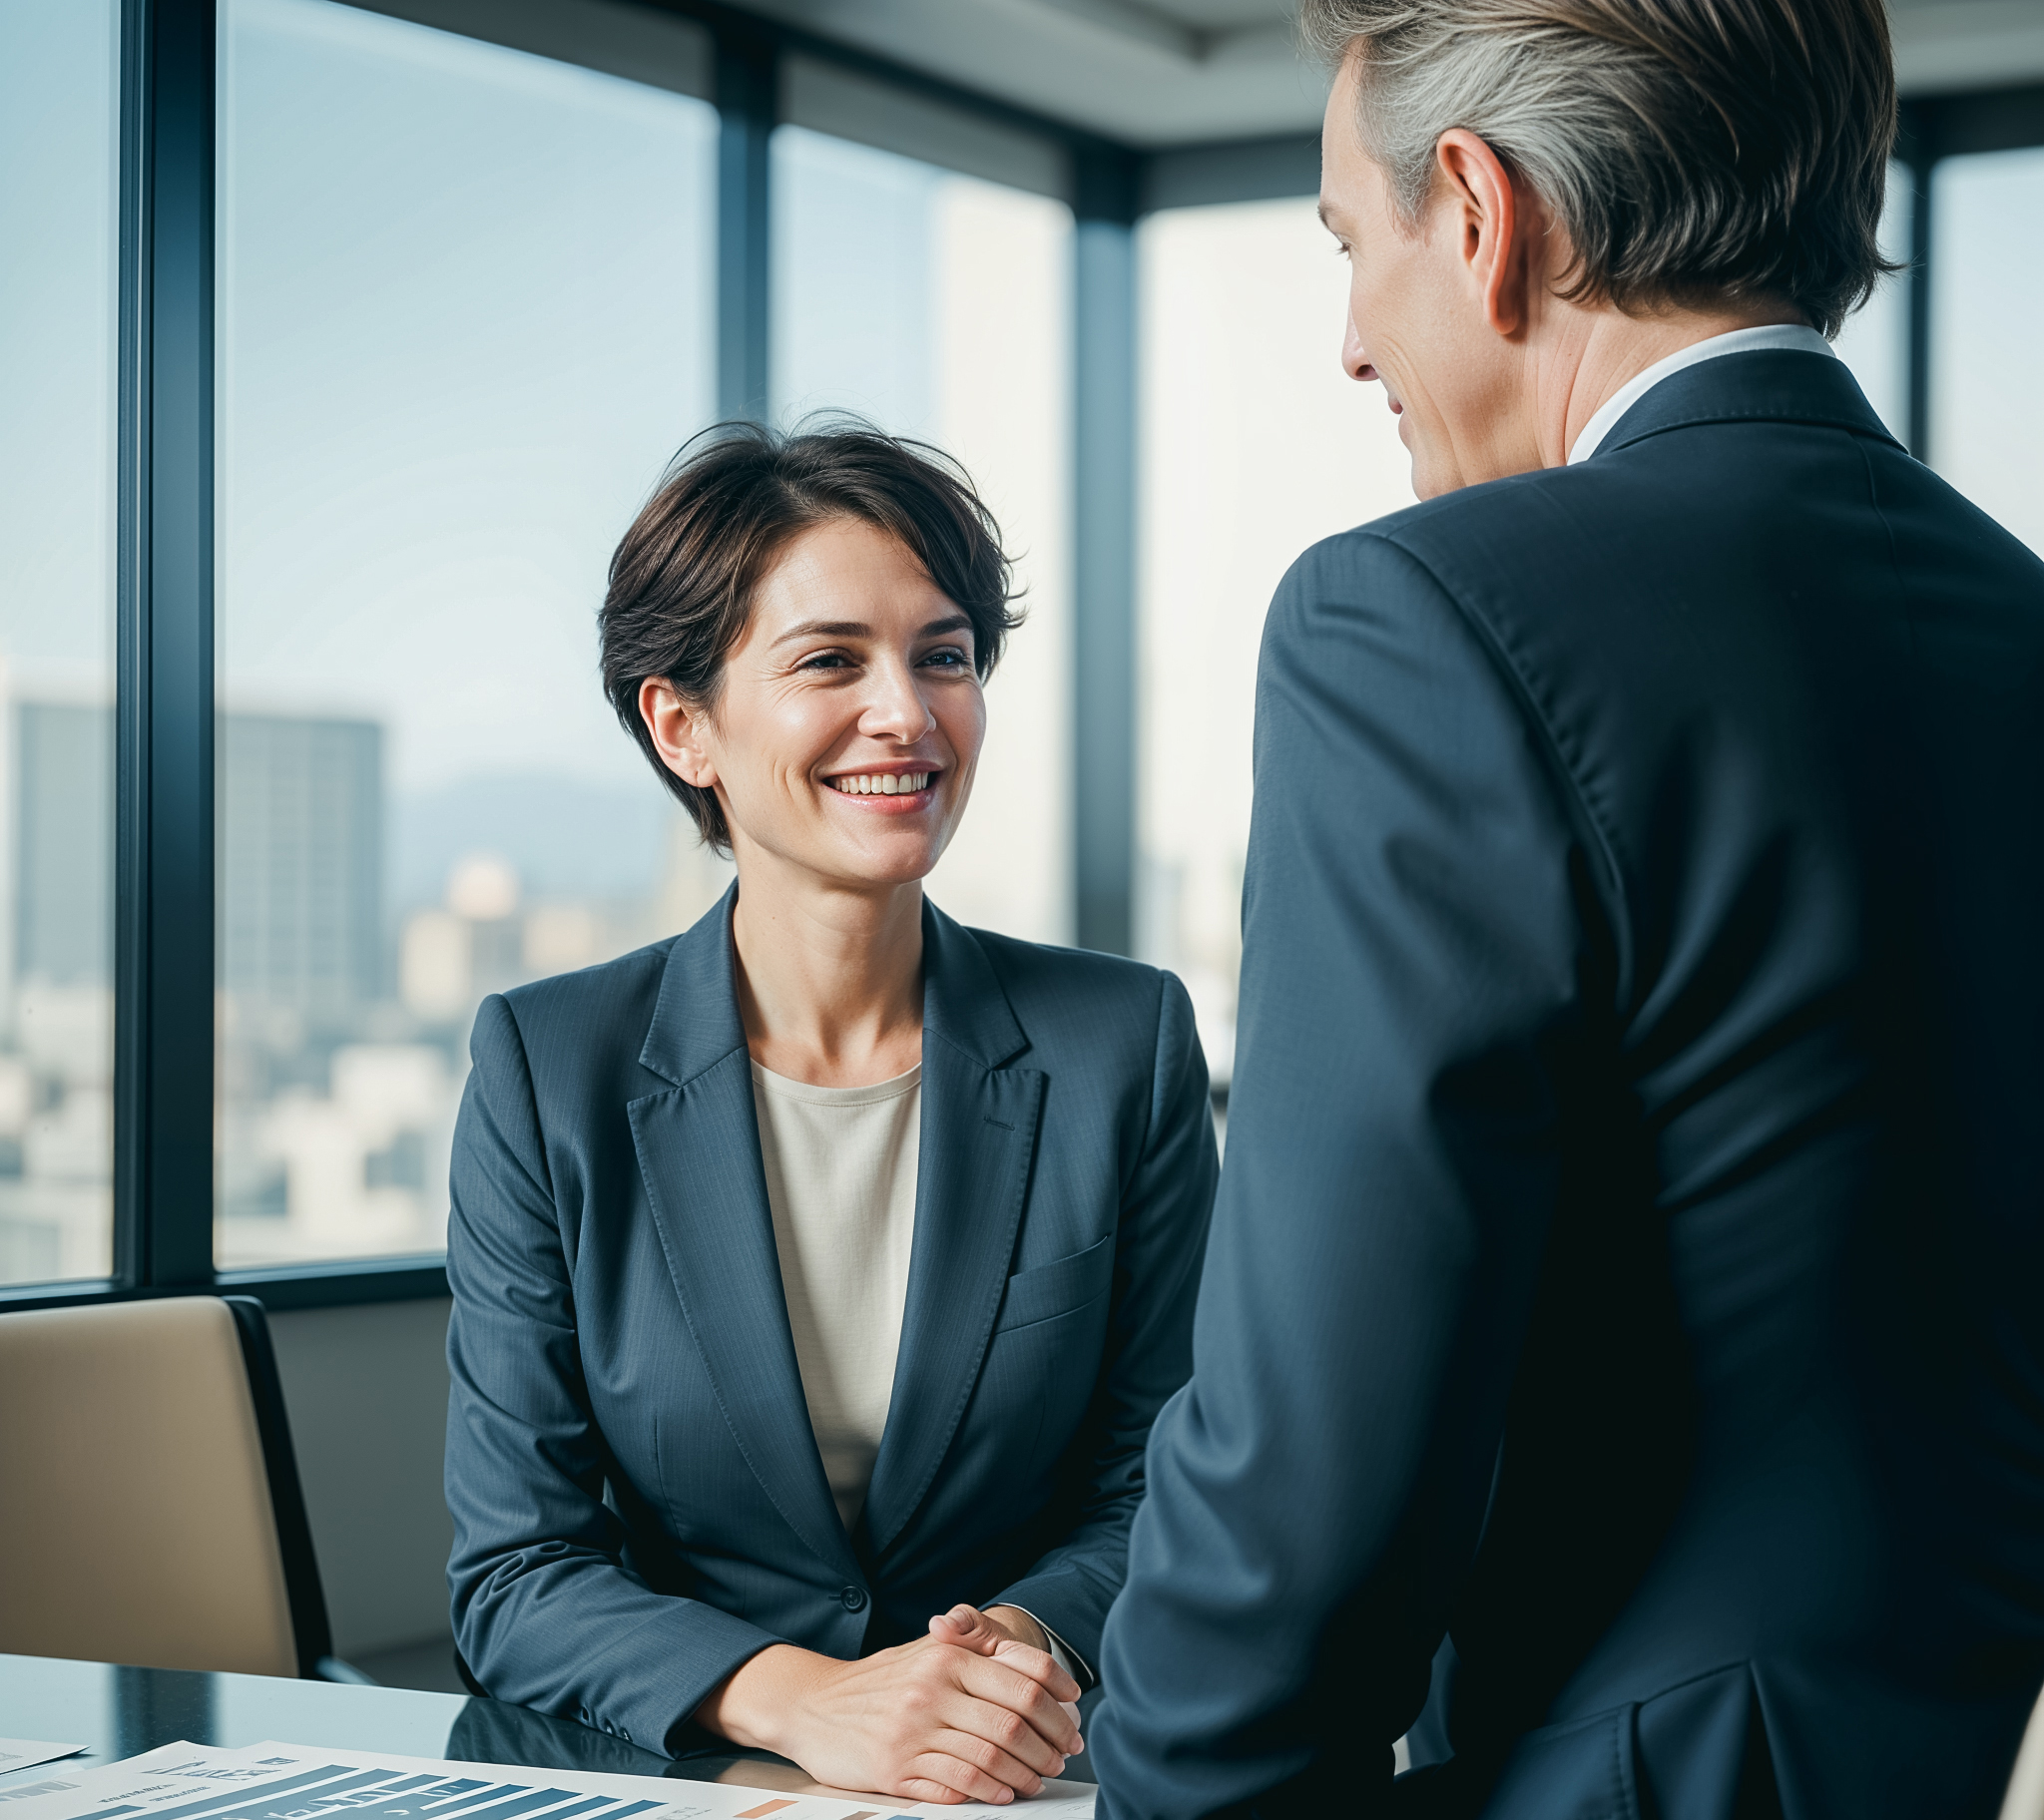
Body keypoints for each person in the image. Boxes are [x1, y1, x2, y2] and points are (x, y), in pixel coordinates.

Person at [1088, 0, 2044, 1814]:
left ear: (1479, 210)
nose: (1353, 345)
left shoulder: (1423, 618)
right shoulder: (2020, 618)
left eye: (1349, 250)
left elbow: (1323, 1432)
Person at [444, 424, 1218, 1806]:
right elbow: (517, 1572)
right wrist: (814, 1704)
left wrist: (1002, 1664)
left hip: (1029, 1771)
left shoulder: (1124, 1043)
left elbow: (1169, 1479)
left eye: (944, 655)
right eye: (829, 661)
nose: (908, 715)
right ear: (682, 726)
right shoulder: (546, 1068)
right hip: (712, 1779)